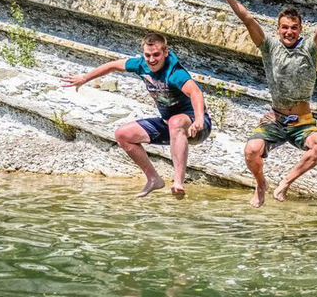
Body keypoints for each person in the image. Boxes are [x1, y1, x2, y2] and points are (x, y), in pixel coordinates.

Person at [219, 0, 317, 207]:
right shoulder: (269, 47)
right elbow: (248, 19)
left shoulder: (310, 49)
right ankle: (261, 185)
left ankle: (285, 182)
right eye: (284, 28)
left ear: (300, 29)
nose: (289, 32)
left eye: (293, 28)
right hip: (276, 119)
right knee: (251, 150)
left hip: (302, 121)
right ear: (278, 29)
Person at [61, 32, 211, 198]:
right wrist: (84, 78)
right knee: (123, 134)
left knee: (176, 121)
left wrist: (198, 120)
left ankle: (178, 182)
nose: (152, 59)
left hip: (196, 126)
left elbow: (196, 93)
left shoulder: (175, 73)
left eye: (156, 55)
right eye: (148, 55)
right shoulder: (141, 65)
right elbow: (112, 66)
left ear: (165, 52)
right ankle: (153, 179)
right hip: (168, 125)